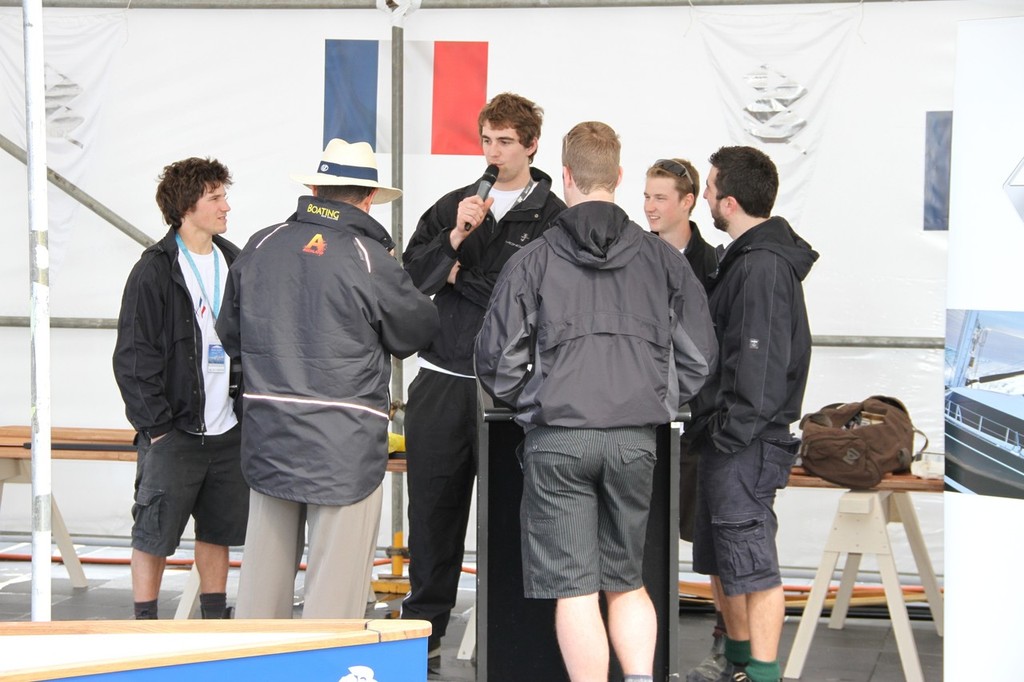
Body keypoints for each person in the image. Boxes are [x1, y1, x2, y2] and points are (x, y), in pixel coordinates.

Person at [475, 121, 718, 682]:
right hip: (635, 440)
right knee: (627, 581)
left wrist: (531, 400)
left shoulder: (532, 259)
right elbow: (699, 357)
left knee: (576, 591)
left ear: (565, 177)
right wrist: (656, 397)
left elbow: (495, 360)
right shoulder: (663, 261)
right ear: (619, 177)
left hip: (558, 438)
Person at [215, 139, 439, 619]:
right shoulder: (368, 255)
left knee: (260, 590)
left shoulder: (261, 243)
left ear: (314, 187)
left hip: (270, 433)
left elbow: (229, 333)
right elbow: (416, 331)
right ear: (368, 198)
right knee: (333, 602)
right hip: (345, 442)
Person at [400, 92, 566, 666]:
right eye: (487, 141)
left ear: (531, 145)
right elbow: (407, 281)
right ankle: (425, 633)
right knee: (431, 513)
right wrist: (453, 241)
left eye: (505, 142)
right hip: (441, 378)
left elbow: (528, 300)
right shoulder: (456, 205)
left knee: (512, 514)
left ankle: (512, 638)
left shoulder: (554, 218)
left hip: (511, 391)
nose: (494, 153)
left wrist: (461, 276)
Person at [689, 146, 818, 682]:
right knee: (726, 564)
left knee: (752, 565)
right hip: (733, 440)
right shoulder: (745, 259)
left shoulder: (762, 267)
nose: (706, 198)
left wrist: (729, 433)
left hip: (745, 443)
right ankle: (738, 667)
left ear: (731, 201)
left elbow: (761, 364)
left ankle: (762, 674)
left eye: (711, 188)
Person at [113, 157, 248, 620]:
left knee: (218, 530)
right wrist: (158, 428)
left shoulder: (236, 261)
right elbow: (133, 357)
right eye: (216, 197)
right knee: (153, 533)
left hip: (228, 428)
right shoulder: (154, 269)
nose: (226, 206)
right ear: (187, 205)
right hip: (175, 431)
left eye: (224, 196)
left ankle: (213, 619)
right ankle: (145, 625)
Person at [643, 157, 726, 682]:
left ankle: (726, 644)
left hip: (697, 425)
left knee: (711, 541)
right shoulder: (634, 255)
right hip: (646, 420)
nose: (649, 206)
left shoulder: (713, 264)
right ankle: (644, 653)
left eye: (659, 198)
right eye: (646, 196)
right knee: (646, 539)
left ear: (688, 201)